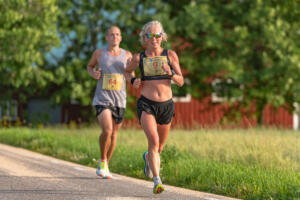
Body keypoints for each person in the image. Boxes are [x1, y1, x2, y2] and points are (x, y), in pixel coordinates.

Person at [125, 20, 184, 194]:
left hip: (166, 106)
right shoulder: (139, 57)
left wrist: (170, 73)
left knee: (159, 148)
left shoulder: (170, 55)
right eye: (150, 35)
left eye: (158, 35)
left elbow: (181, 81)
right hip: (147, 104)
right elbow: (126, 71)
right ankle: (157, 180)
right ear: (145, 37)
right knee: (154, 141)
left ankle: (148, 157)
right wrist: (133, 80)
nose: (154, 39)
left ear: (162, 37)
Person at [87, 26, 132, 179]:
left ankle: (106, 164)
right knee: (107, 130)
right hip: (102, 98)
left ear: (121, 38)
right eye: (111, 35)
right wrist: (93, 73)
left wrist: (132, 78)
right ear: (106, 37)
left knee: (114, 135)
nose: (114, 37)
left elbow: (130, 73)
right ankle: (101, 160)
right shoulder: (99, 53)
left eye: (117, 34)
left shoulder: (127, 55)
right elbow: (89, 66)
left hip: (120, 99)